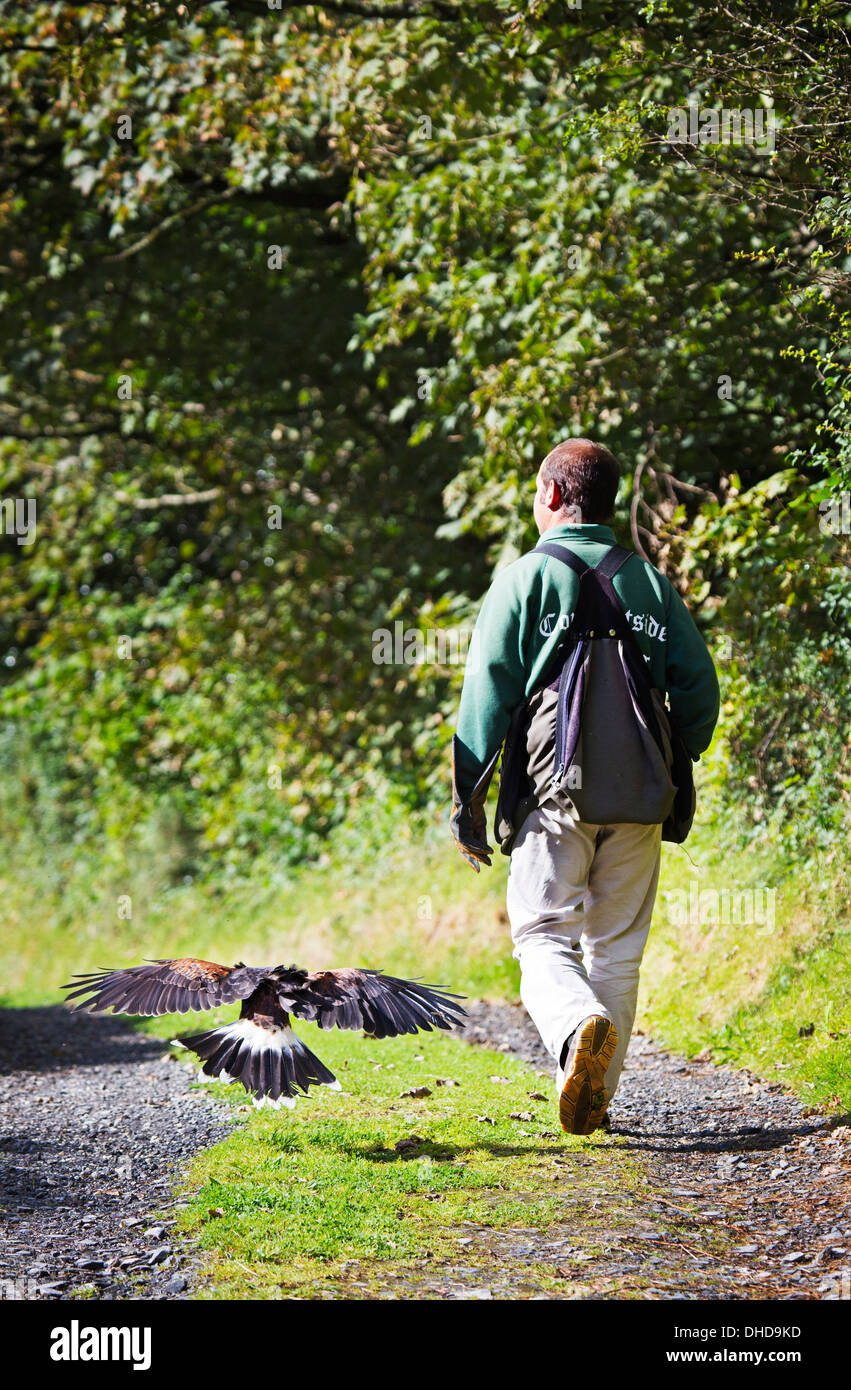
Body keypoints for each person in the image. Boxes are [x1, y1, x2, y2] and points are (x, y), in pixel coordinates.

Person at [450, 438, 719, 1134]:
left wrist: (467, 799)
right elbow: (697, 688)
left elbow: (486, 694)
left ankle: (577, 1029)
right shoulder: (650, 582)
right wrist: (670, 754)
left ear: (549, 496)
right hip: (638, 798)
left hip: (551, 791)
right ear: (605, 501)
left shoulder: (522, 579)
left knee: (541, 937)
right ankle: (594, 1091)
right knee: (617, 952)